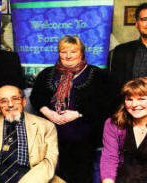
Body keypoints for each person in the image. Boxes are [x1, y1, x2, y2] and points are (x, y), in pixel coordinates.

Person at [30, 35, 107, 183]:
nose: (68, 56)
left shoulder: (97, 74)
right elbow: (36, 97)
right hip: (50, 134)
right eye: (63, 52)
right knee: (49, 174)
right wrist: (48, 112)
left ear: (81, 53)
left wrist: (78, 113)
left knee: (80, 176)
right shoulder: (47, 73)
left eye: (73, 51)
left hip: (83, 135)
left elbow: (105, 103)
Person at [0, 85, 58, 183]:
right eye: (3, 101)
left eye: (15, 99)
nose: (10, 104)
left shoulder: (46, 126)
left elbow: (49, 163)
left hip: (31, 178)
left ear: (24, 101)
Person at [100, 77, 147, 183]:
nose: (134, 105)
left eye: (141, 99)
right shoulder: (113, 124)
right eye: (129, 99)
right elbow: (109, 158)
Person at [108, 2, 147, 112]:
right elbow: (114, 85)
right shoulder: (121, 50)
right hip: (127, 113)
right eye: (144, 19)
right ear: (137, 23)